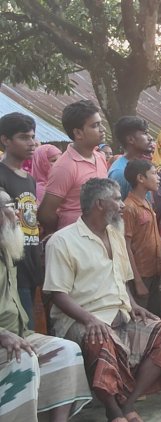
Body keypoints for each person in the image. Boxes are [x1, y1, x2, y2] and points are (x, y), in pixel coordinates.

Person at [43, 178, 161, 422]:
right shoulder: (62, 241)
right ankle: (113, 411)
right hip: (81, 317)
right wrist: (89, 319)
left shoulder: (115, 233)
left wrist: (134, 305)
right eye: (117, 199)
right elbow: (57, 294)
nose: (122, 205)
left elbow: (122, 279)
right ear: (99, 203)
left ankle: (128, 404)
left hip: (121, 313)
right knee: (102, 340)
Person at [0, 190, 92, 422]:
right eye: (9, 207)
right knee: (23, 359)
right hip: (4, 338)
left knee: (67, 351)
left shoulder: (6, 248)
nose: (15, 214)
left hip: (19, 333)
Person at [38, 100, 108, 233]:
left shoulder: (100, 157)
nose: (103, 129)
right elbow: (46, 214)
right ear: (78, 133)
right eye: (95, 125)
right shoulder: (65, 166)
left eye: (101, 123)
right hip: (75, 241)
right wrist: (66, 233)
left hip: (99, 234)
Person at [0, 113, 42, 328]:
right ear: (5, 140)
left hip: (32, 263)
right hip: (14, 268)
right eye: (24, 137)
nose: (32, 143)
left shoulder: (30, 179)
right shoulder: (1, 176)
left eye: (33, 137)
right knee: (23, 329)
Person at [123, 159, 161, 317]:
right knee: (142, 317)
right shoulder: (129, 207)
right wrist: (138, 281)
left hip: (154, 271)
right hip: (141, 274)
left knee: (156, 314)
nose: (158, 177)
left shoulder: (146, 201)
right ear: (141, 178)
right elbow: (126, 245)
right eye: (154, 174)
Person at [108, 116, 155, 199]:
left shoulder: (142, 165)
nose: (151, 138)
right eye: (145, 133)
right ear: (130, 140)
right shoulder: (121, 173)